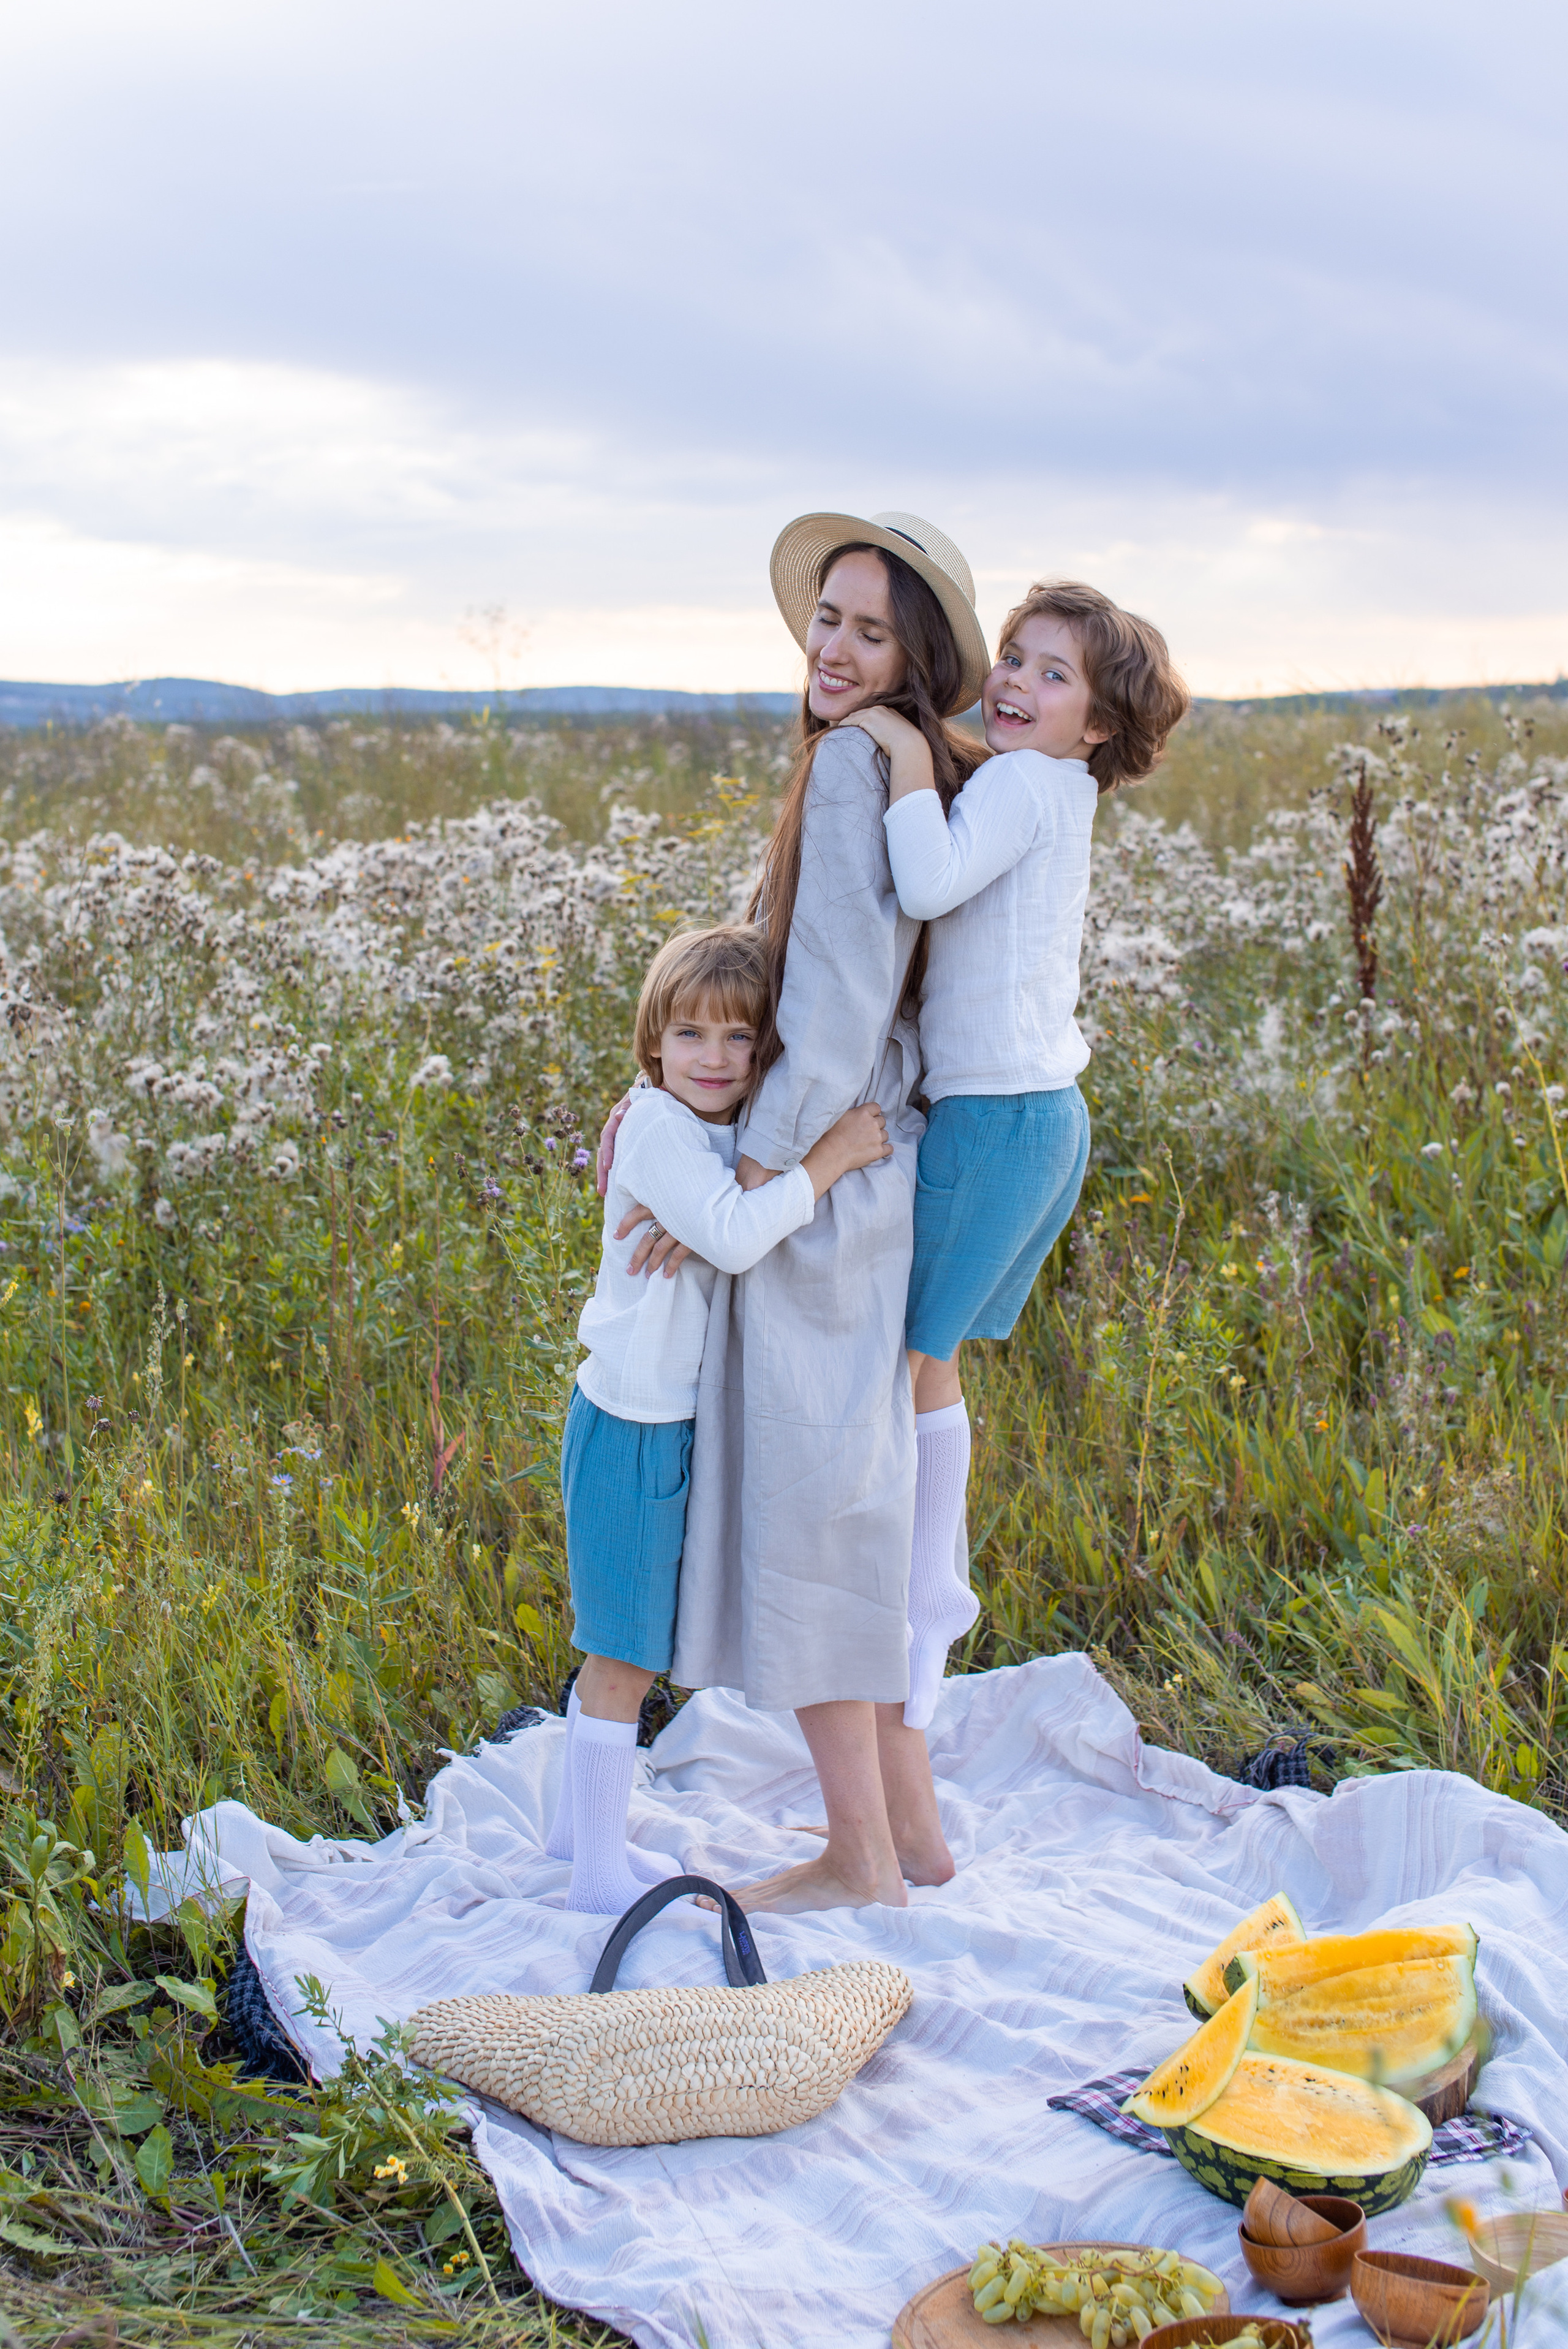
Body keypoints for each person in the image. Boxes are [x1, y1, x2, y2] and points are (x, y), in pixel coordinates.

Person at [606, 510, 992, 1913]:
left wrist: (741, 1175)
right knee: (862, 1494)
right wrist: (671, 1101)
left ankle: (858, 1859)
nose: (832, 648)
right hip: (876, 1158)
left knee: (822, 1509)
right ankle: (913, 1834)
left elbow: (823, 1007)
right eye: (826, 618)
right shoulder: (910, 769)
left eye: (868, 629)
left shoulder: (851, 764)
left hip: (828, 1175)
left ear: (912, 653)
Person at [851, 580, 1191, 1725]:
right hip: (1045, 1113)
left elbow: (929, 876)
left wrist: (901, 751)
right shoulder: (1051, 787)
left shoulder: (1020, 784)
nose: (1015, 681)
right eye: (1012, 654)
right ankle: (926, 1608)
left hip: (997, 1119)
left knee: (905, 1359)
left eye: (1054, 675)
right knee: (927, 1358)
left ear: (1098, 726)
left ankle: (925, 1602)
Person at [546, 921, 891, 1912]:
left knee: (620, 1640)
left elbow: (725, 1215)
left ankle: (578, 1829)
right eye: (692, 1035)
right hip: (630, 1422)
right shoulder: (656, 1124)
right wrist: (827, 1161)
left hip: (659, 1419)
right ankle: (598, 1874)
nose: (716, 1058)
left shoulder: (699, 1130)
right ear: (653, 1041)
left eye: (740, 1040)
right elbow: (743, 1230)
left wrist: (706, 1231)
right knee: (625, 1652)